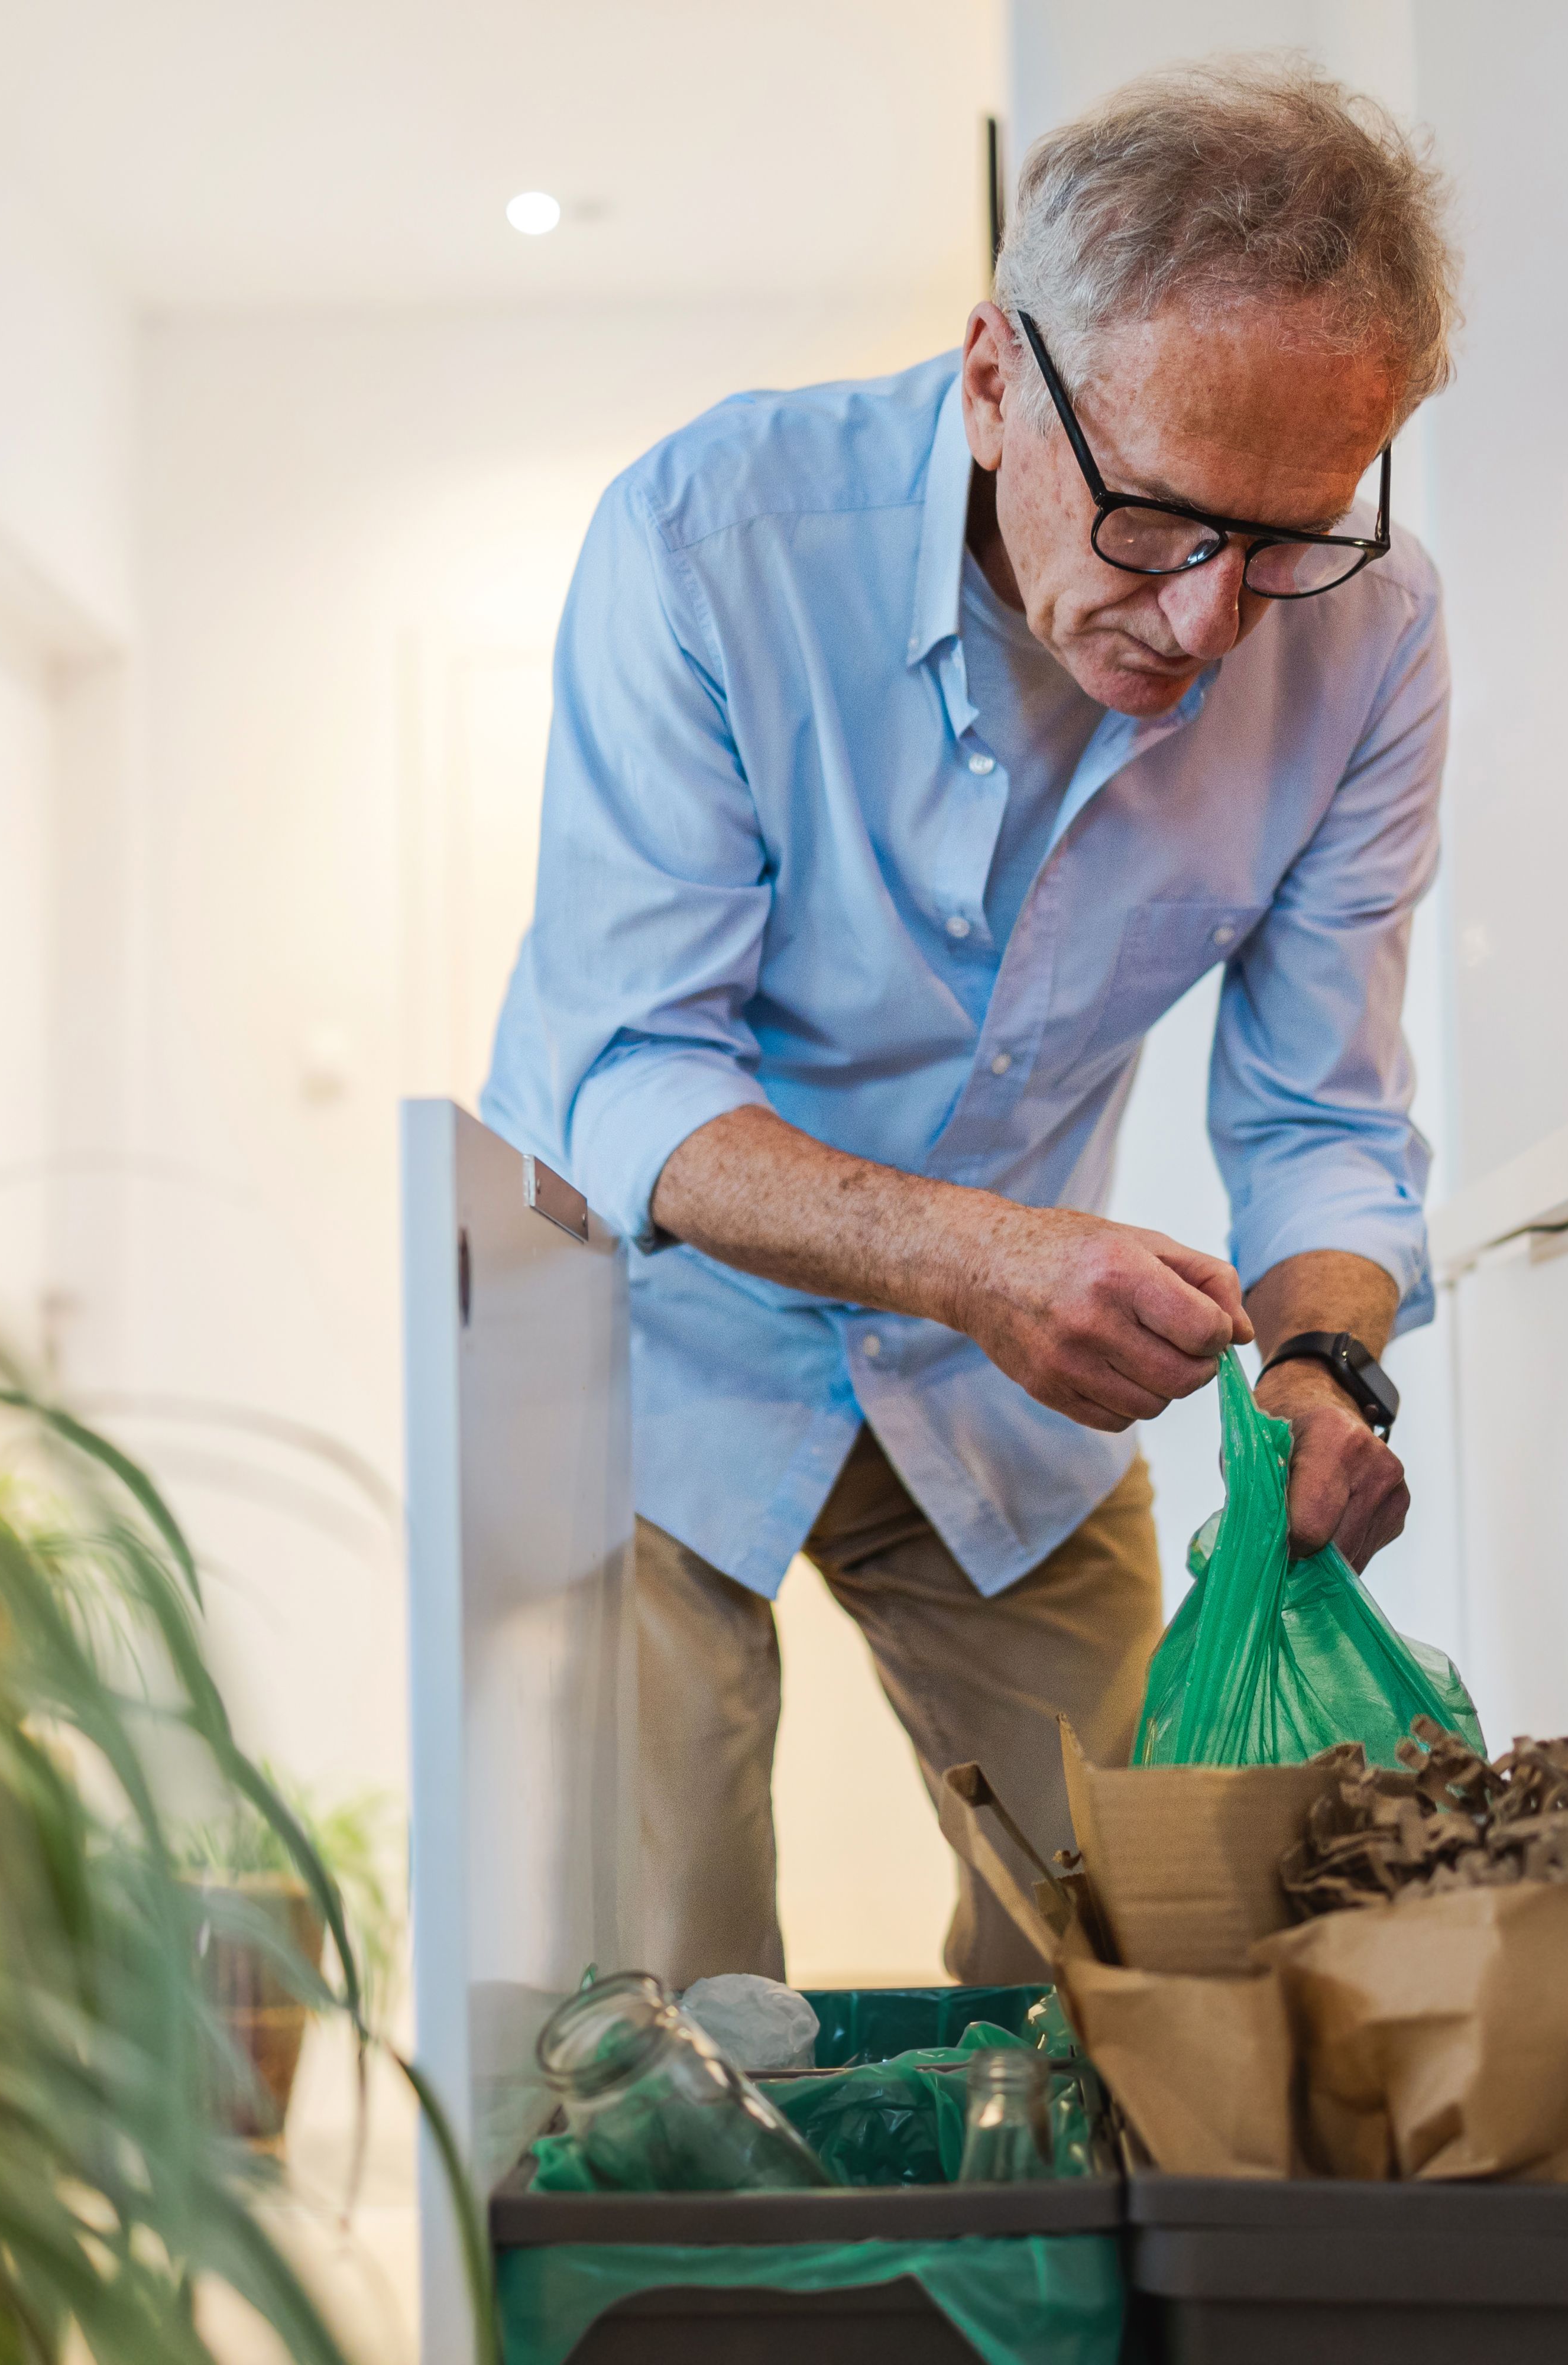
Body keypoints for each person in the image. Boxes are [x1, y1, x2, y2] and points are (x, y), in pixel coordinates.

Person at [482, 54, 1460, 1985]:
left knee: (1149, 1950)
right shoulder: (708, 538)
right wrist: (983, 1260)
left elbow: (1322, 1114)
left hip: (1013, 1397)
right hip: (648, 1355)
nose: (1211, 626)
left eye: (1287, 540)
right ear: (998, 375)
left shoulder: (1379, 637)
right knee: (651, 1999)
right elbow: (626, 1073)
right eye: (1166, 524)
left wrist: (1326, 1372)